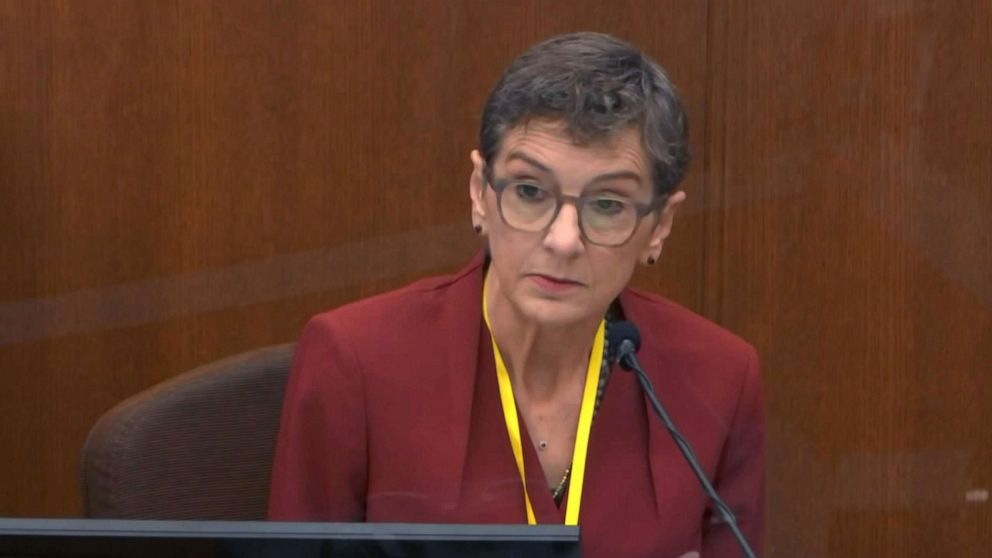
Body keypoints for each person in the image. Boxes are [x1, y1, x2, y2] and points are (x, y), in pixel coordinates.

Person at [268, 32, 764, 558]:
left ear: (660, 225)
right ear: (481, 193)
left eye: (608, 205)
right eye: (530, 192)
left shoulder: (720, 378)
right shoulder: (356, 361)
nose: (564, 239)